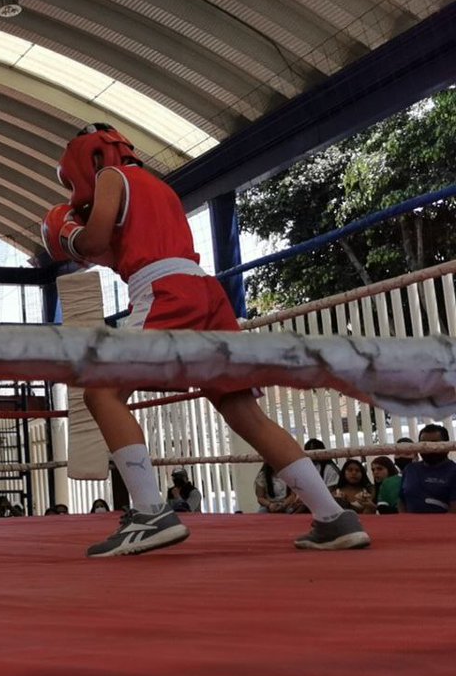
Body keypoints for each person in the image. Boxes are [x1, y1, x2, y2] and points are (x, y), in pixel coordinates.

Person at [44, 123, 369, 555]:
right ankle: (333, 518)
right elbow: (117, 249)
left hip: (165, 291)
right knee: (242, 410)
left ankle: (149, 512)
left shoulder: (110, 177)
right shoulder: (158, 189)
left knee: (101, 392)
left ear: (93, 157)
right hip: (206, 292)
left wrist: (67, 234)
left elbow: (96, 240)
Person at [399, 424, 456, 513]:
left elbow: (454, 510)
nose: (429, 448)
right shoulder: (410, 469)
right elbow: (401, 501)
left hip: (442, 525)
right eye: (424, 444)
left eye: (434, 443)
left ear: (446, 445)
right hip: (410, 525)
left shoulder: (453, 472)